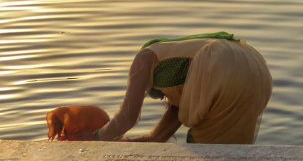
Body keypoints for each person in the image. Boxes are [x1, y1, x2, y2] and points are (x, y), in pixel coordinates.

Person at [90, 32, 272, 144]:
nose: (162, 98)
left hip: (218, 64)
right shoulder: (189, 75)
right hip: (256, 68)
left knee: (207, 154)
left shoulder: (144, 57)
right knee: (230, 153)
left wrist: (93, 140)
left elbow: (128, 117)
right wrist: (143, 141)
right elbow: (159, 136)